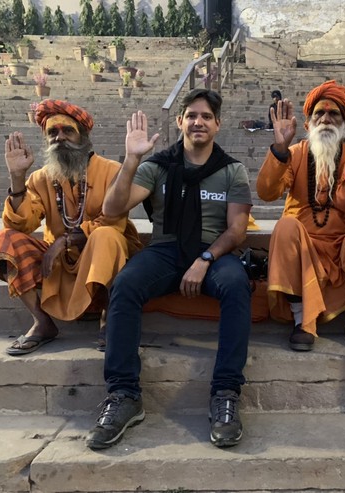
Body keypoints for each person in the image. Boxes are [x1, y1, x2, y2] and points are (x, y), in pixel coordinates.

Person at [86, 89, 253, 450]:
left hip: (213, 255)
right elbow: (113, 210)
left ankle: (225, 393)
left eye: (206, 116)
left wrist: (205, 259)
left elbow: (237, 230)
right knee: (126, 284)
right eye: (191, 115)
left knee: (237, 285)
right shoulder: (157, 165)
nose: (198, 122)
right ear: (180, 122)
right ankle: (124, 395)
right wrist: (131, 159)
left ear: (217, 125)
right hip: (165, 251)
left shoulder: (231, 170)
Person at [0, 99, 141, 356]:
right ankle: (42, 322)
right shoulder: (39, 178)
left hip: (102, 257)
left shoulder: (111, 170)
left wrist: (64, 241)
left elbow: (114, 220)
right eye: (52, 133)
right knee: (4, 239)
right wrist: (17, 178)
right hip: (57, 266)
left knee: (105, 235)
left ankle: (109, 317)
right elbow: (22, 224)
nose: (60, 137)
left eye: (67, 131)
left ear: (83, 136)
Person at [256, 80, 345, 352]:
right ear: (308, 123)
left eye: (334, 114)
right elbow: (266, 192)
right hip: (304, 251)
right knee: (286, 226)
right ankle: (302, 320)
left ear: (344, 122)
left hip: (343, 253)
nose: (326, 119)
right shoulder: (295, 154)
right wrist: (280, 149)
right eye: (319, 113)